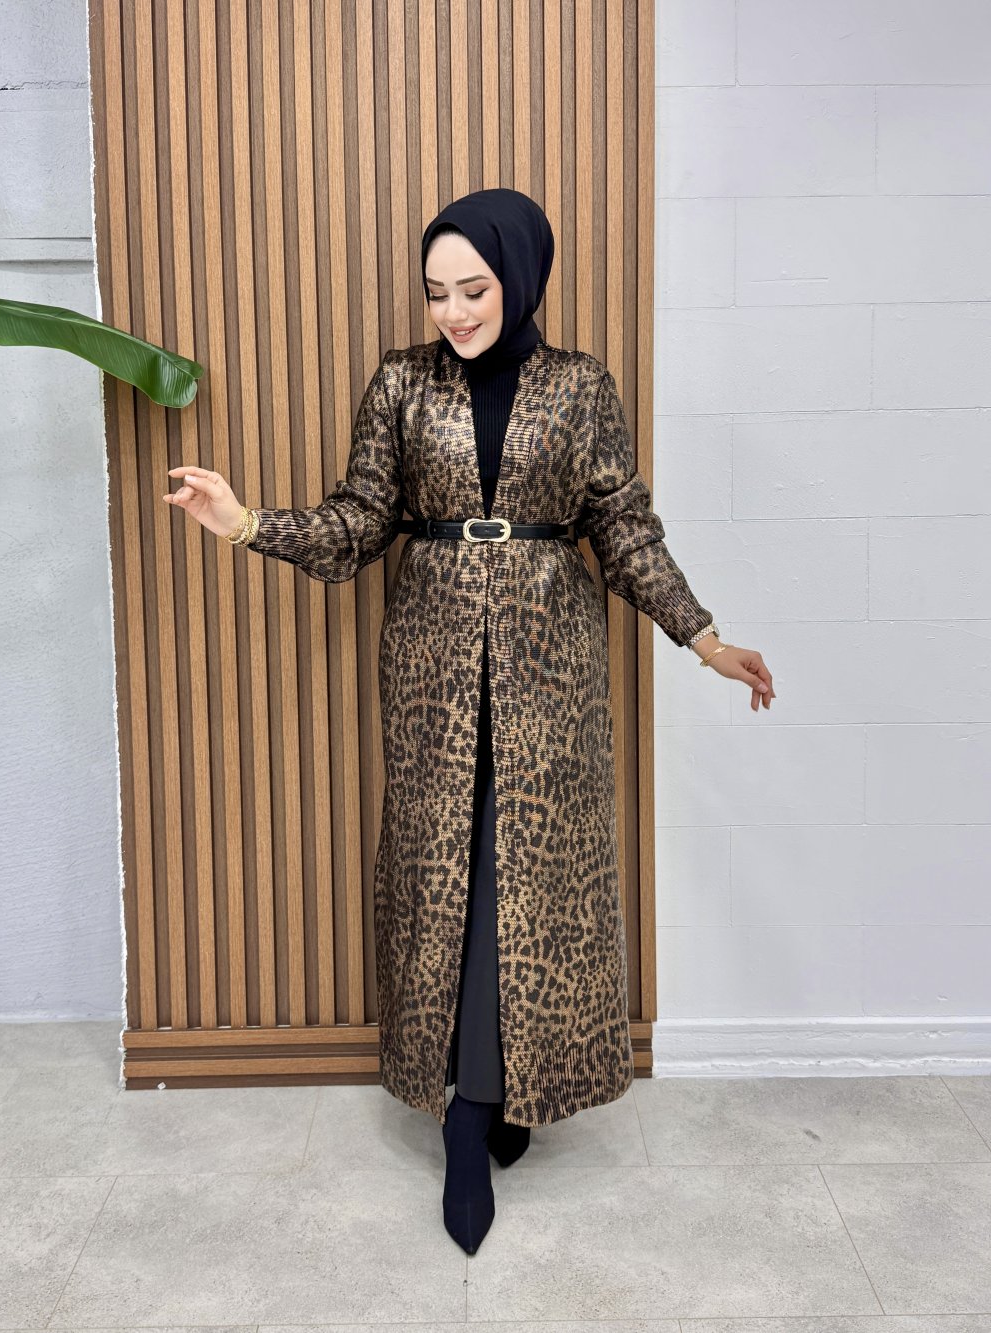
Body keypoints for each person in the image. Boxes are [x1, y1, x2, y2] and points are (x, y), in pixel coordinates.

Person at [163, 187, 776, 1256]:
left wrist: (704, 636)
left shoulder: (580, 387)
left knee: (527, 881)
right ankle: (467, 1114)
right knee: (451, 874)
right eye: (436, 291)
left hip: (552, 665)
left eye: (474, 289)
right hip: (434, 668)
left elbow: (623, 529)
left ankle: (494, 1091)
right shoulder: (402, 382)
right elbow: (360, 522)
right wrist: (245, 521)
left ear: (519, 279)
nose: (453, 311)